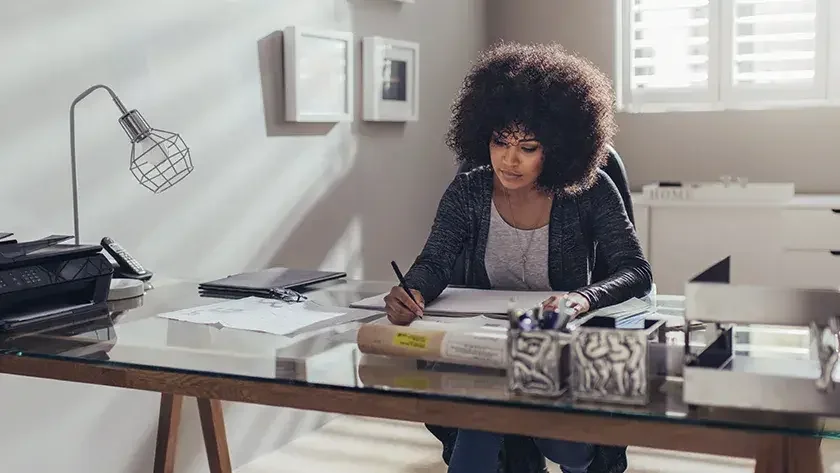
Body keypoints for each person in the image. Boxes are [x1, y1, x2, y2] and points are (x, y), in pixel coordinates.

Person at [382, 41, 652, 473]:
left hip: (561, 347)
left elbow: (636, 271)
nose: (509, 159)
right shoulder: (468, 191)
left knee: (565, 445)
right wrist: (410, 290)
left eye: (527, 147)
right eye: (499, 142)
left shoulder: (591, 190)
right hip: (490, 348)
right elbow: (434, 262)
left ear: (559, 147)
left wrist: (580, 299)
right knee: (479, 413)